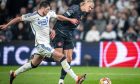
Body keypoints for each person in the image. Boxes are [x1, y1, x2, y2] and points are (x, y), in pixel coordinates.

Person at [0, 1, 86, 84]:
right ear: (42, 8)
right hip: (40, 45)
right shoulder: (33, 16)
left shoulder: (48, 13)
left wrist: (68, 20)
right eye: (47, 9)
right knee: (62, 57)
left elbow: (58, 17)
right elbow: (19, 18)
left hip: (46, 44)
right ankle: (76, 78)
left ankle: (14, 74)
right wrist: (7, 25)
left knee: (33, 64)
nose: (49, 11)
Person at [47, 0, 94, 84]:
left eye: (92, 8)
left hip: (68, 35)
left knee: (69, 58)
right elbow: (59, 17)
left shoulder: (84, 13)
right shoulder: (74, 8)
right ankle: (41, 57)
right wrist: (69, 20)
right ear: (85, 3)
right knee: (59, 57)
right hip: (60, 33)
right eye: (90, 6)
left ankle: (61, 81)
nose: (90, 9)